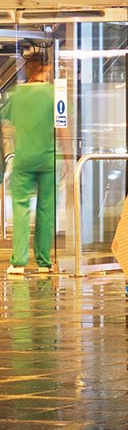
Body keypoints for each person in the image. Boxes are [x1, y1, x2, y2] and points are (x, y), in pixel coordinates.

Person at [4, 46, 55, 276]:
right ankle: (44, 263)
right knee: (46, 209)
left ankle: (18, 262)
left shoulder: (17, 94)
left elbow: (8, 124)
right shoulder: (54, 93)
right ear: (46, 68)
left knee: (21, 208)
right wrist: (64, 156)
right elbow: (62, 128)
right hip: (47, 159)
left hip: (24, 158)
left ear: (29, 68)